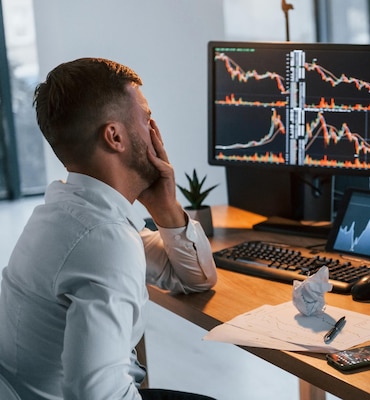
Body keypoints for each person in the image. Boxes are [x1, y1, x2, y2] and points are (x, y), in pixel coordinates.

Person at [0, 58, 218, 400]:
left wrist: (164, 207)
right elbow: (98, 396)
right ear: (115, 136)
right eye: (146, 118)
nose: (155, 131)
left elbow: (196, 278)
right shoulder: (104, 239)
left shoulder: (68, 210)